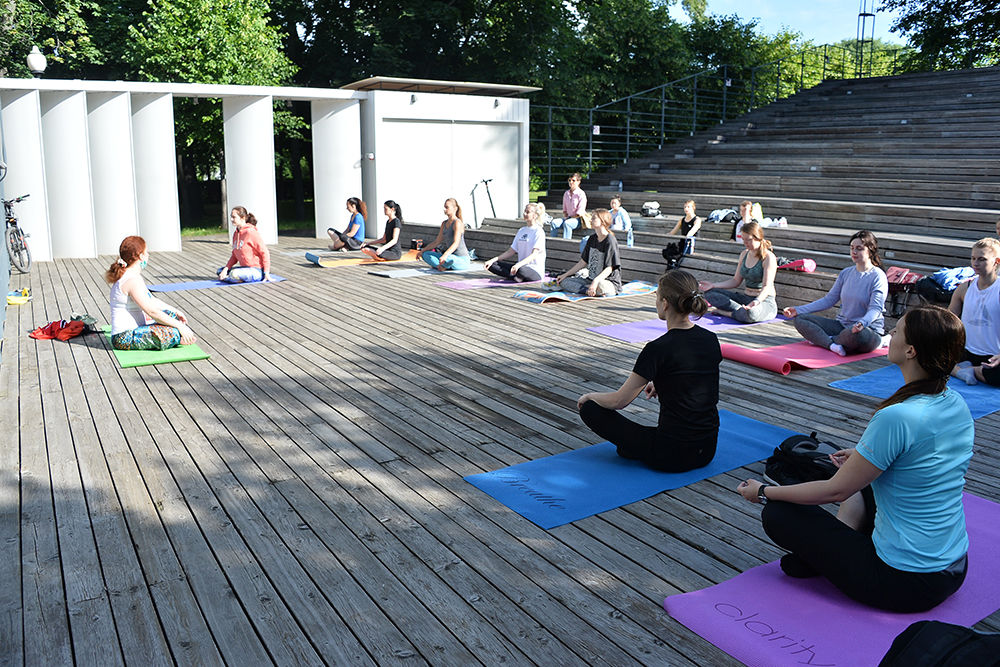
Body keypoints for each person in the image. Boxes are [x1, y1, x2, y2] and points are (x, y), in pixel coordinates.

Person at [738, 306, 973, 613]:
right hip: (954, 566)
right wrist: (863, 457)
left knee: (779, 514)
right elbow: (925, 461)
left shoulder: (898, 416)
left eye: (898, 331)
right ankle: (826, 556)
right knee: (861, 484)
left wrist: (763, 492)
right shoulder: (955, 402)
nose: (891, 334)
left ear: (911, 350)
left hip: (905, 582)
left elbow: (835, 492)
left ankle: (822, 557)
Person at [577, 270, 721, 471]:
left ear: (664, 303)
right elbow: (696, 377)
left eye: (656, 298)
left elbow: (620, 401)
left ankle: (637, 449)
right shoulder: (710, 339)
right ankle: (635, 448)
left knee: (590, 409)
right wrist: (661, 382)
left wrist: (590, 396)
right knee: (632, 444)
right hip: (707, 450)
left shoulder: (658, 348)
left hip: (671, 455)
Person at [784, 230, 888, 356]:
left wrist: (862, 323)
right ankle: (832, 345)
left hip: (866, 330)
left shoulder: (878, 276)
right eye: (852, 248)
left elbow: (875, 309)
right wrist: (799, 310)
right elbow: (829, 300)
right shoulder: (846, 273)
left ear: (870, 250)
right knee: (800, 320)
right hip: (842, 326)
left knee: (852, 335)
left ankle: (824, 340)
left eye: (859, 248)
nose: (854, 252)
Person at [105, 235, 197, 350]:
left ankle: (175, 335)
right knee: (174, 331)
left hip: (137, 329)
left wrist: (176, 311)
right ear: (141, 256)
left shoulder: (134, 276)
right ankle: (176, 338)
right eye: (146, 252)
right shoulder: (132, 281)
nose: (148, 255)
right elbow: (152, 311)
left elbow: (151, 300)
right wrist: (180, 327)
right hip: (124, 337)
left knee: (173, 317)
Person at [698, 222, 778, 323]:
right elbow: (736, 281)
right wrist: (713, 285)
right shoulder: (744, 254)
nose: (745, 242)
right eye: (743, 239)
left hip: (763, 301)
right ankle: (740, 311)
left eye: (749, 239)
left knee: (751, 313)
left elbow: (766, 287)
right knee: (710, 294)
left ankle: (727, 313)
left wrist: (756, 301)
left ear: (758, 237)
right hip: (745, 298)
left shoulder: (768, 257)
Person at [949, 237, 1000, 386]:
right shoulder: (965, 288)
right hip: (966, 351)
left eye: (982, 259)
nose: (975, 263)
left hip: (993, 357)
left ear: (996, 261)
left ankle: (971, 370)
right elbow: (947, 320)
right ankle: (961, 371)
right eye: (973, 258)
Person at [553, 208, 622, 296]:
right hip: (590, 279)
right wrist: (565, 275)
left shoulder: (610, 240)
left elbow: (609, 268)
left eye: (594, 218)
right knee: (564, 282)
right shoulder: (591, 239)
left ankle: (593, 289)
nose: (590, 220)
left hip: (608, 281)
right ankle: (588, 291)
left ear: (603, 221)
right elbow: (583, 262)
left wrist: (596, 281)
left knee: (601, 286)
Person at [483, 203, 546, 282]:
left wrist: (519, 265)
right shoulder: (521, 231)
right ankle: (515, 277)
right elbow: (511, 251)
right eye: (524, 211)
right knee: (492, 265)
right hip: (519, 266)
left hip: (533, 270)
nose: (525, 214)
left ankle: (518, 276)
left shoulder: (538, 231)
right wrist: (492, 260)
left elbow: (534, 255)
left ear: (535, 215)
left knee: (521, 271)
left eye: (528, 212)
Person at [218, 206, 272, 283]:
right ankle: (233, 278)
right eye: (231, 217)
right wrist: (226, 269)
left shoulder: (251, 232)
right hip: (245, 268)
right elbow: (234, 255)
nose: (231, 219)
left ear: (242, 218)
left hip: (256, 270)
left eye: (234, 217)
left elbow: (265, 252)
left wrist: (266, 272)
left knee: (234, 274)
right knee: (220, 271)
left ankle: (231, 278)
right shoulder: (236, 234)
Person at [417, 198, 471, 271]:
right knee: (426, 254)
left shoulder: (457, 223)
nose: (444, 209)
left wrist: (445, 255)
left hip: (460, 260)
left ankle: (444, 265)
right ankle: (443, 266)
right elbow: (437, 242)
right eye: (444, 207)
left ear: (455, 208)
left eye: (447, 207)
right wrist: (422, 251)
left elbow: (456, 243)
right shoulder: (444, 224)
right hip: (448, 256)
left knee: (450, 258)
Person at [550, 172, 588, 239]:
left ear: (578, 182)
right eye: (569, 180)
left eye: (573, 180)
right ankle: (553, 242)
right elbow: (564, 208)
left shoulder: (581, 194)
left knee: (567, 224)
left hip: (578, 219)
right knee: (554, 223)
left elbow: (580, 210)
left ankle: (566, 243)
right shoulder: (566, 193)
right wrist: (566, 217)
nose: (571, 182)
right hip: (568, 218)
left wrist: (571, 218)